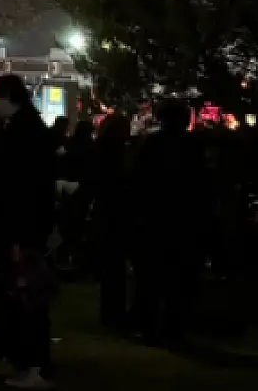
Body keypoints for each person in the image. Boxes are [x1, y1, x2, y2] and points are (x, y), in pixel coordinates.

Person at [0, 72, 56, 390]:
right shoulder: (24, 127)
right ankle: (18, 359)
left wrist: (19, 237)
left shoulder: (24, 132)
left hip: (21, 230)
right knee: (16, 297)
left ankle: (33, 364)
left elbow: (24, 189)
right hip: (18, 228)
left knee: (26, 297)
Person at [130, 100, 211, 347]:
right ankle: (173, 327)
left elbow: (139, 180)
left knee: (152, 278)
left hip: (157, 219)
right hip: (183, 220)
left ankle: (151, 327)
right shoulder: (192, 145)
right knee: (179, 278)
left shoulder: (153, 144)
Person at [90, 112, 133, 332]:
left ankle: (110, 312)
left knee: (110, 266)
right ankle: (114, 313)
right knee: (115, 266)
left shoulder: (100, 149)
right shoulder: (115, 153)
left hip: (105, 211)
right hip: (114, 212)